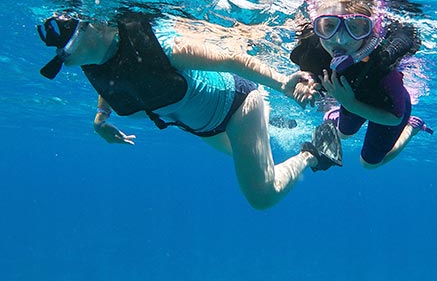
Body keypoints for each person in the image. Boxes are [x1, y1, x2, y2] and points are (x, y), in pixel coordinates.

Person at [37, 13, 339, 209]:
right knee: (243, 157)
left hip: (238, 105)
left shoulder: (163, 47)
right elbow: (113, 85)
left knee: (261, 194)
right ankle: (274, 121)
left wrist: (284, 84)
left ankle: (310, 154)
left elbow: (233, 60)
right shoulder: (94, 65)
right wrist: (100, 120)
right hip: (202, 125)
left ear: (93, 26)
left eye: (67, 48)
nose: (64, 59)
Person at [291, 0, 433, 170]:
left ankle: (412, 128)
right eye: (329, 26)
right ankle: (337, 115)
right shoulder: (313, 50)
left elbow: (394, 118)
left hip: (386, 108)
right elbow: (309, 74)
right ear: (318, 25)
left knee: (369, 164)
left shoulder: (381, 66)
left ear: (370, 32)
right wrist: (306, 83)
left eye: (355, 28)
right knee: (343, 134)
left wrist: (350, 104)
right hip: (351, 100)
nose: (340, 40)